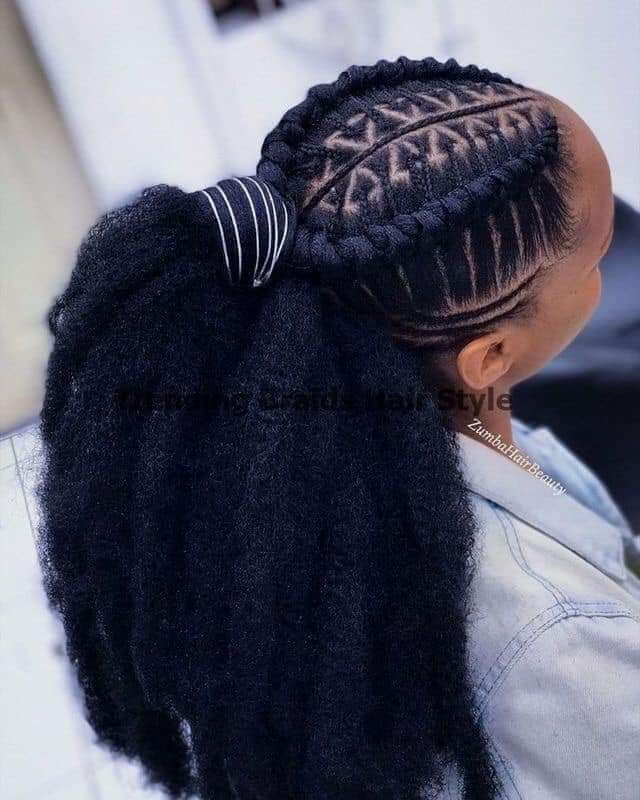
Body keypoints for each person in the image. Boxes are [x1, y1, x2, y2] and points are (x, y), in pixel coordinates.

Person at [38, 56, 639, 799]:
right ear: (489, 357)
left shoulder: (330, 469)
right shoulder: (567, 642)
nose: (619, 255)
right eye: (600, 255)